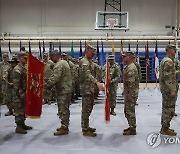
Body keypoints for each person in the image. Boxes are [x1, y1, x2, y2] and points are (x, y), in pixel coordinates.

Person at [45, 50, 72, 136]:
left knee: (62, 109)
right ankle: (65, 125)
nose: (51, 59)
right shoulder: (64, 62)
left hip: (62, 90)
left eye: (52, 57)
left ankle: (64, 127)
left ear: (55, 56)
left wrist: (46, 84)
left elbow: (55, 77)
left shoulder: (59, 65)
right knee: (65, 108)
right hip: (66, 89)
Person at [79, 44, 105, 137]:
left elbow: (97, 68)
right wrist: (97, 83)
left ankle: (87, 126)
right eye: (92, 53)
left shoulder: (90, 62)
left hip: (90, 89)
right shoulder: (84, 61)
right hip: (86, 89)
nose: (93, 55)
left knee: (89, 109)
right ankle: (85, 129)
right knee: (86, 109)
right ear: (87, 51)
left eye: (94, 53)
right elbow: (87, 74)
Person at [159, 44, 178, 136]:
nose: (175, 52)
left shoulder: (165, 60)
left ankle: (164, 127)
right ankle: (165, 128)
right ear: (170, 50)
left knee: (166, 108)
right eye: (174, 50)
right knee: (169, 109)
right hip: (168, 90)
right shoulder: (168, 62)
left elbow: (169, 74)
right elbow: (168, 77)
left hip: (166, 89)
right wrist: (172, 89)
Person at [13, 51, 33, 134]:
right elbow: (16, 84)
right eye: (24, 58)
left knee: (23, 109)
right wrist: (21, 93)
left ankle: (23, 123)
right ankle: (18, 126)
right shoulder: (17, 69)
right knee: (18, 109)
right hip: (18, 94)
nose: (26, 59)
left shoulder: (24, 68)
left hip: (25, 92)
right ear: (20, 58)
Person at [122, 51, 139, 135]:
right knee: (127, 111)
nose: (123, 58)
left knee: (130, 111)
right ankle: (131, 126)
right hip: (129, 93)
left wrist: (129, 94)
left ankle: (132, 129)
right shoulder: (128, 67)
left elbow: (131, 83)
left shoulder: (131, 68)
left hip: (131, 93)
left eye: (125, 56)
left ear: (129, 57)